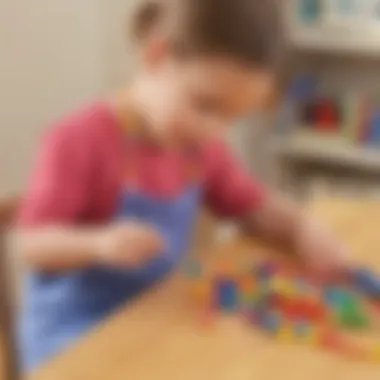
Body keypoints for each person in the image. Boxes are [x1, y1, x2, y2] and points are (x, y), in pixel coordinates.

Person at [14, 0, 350, 371]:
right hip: (74, 336)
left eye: (231, 118)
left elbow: (251, 206)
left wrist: (302, 226)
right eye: (205, 106)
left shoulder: (198, 148)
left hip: (154, 316)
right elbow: (32, 244)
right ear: (156, 56)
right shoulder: (76, 140)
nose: (214, 130)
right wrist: (97, 244)